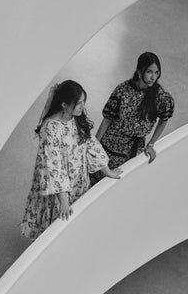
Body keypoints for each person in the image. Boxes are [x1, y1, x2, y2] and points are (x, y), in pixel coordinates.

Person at [21, 80, 122, 241]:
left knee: (74, 225)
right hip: (59, 189)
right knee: (57, 226)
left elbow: (91, 144)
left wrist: (107, 171)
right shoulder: (51, 128)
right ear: (64, 104)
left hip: (78, 179)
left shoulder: (76, 118)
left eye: (83, 101)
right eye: (78, 103)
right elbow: (54, 165)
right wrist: (63, 200)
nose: (82, 106)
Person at [95, 51, 175, 173]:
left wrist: (151, 144)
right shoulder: (123, 90)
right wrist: (95, 146)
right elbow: (107, 120)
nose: (153, 77)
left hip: (134, 153)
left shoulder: (160, 97)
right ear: (139, 71)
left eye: (156, 72)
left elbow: (164, 120)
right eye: (149, 72)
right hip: (110, 146)